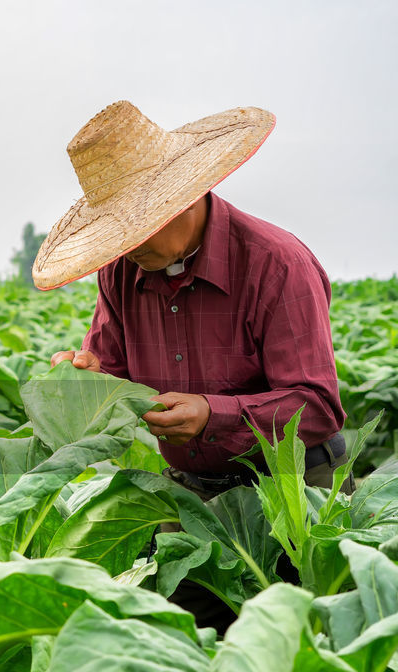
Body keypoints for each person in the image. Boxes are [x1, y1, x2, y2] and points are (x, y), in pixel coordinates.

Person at [31, 101, 349, 628]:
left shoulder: (275, 263)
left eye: (136, 230)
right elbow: (112, 371)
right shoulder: (120, 272)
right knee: (186, 650)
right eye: (117, 236)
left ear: (183, 200)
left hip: (296, 496)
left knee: (298, 654)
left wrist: (212, 414)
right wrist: (85, 377)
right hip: (190, 501)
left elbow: (315, 408)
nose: (127, 249)